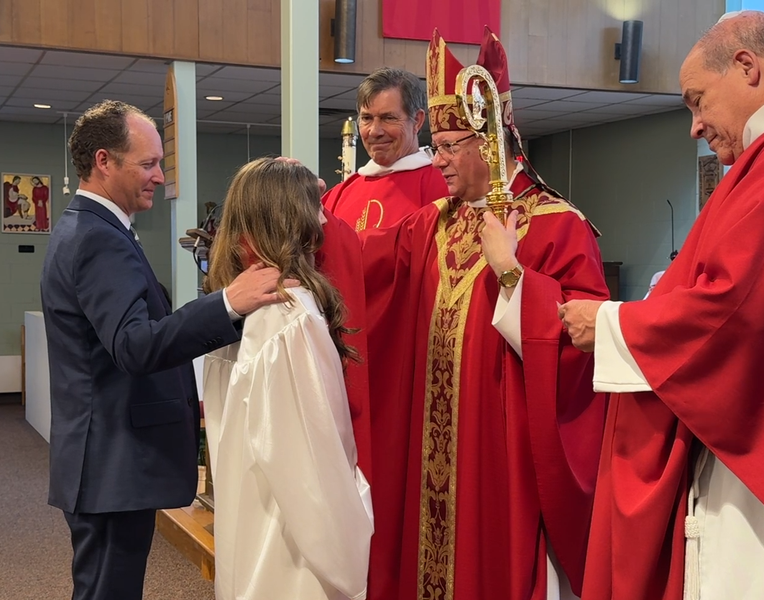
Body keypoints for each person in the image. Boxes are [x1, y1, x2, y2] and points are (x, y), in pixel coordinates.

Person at [358, 27, 609, 600]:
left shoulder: (555, 223)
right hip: (433, 448)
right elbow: (362, 268)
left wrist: (512, 273)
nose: (437, 160)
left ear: (491, 142)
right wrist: (301, 231)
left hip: (503, 449)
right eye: (438, 145)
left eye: (450, 147)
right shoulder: (433, 222)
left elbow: (585, 339)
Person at [40, 100, 296, 600]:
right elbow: (135, 346)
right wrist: (227, 303)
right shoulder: (98, 237)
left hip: (105, 457)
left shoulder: (96, 229)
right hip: (111, 460)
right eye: (149, 163)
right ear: (104, 162)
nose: (160, 176)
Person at [558, 10, 764, 600]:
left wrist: (612, 322)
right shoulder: (746, 172)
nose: (695, 127)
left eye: (698, 101)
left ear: (746, 67)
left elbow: (733, 309)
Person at [201, 158, 374, 600]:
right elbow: (309, 464)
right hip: (291, 540)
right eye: (315, 203)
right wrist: (350, 539)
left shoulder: (238, 304)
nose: (324, 214)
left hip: (249, 512)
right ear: (293, 216)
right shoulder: (289, 319)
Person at [322, 67, 448, 230]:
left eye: (388, 118)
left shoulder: (443, 188)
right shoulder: (337, 196)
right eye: (366, 118)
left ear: (417, 120)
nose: (374, 131)